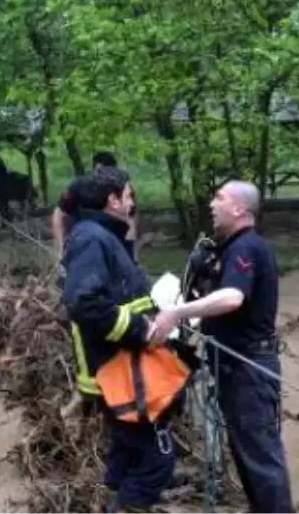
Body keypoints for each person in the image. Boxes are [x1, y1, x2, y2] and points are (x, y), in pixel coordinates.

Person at [147, 180, 294, 514]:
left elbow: (232, 298)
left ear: (240, 208)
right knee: (245, 451)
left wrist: (177, 313)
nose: (212, 204)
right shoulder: (229, 249)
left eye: (219, 198)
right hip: (234, 366)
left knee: (260, 455)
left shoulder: (247, 248)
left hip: (250, 367)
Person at [61, 167, 188, 514]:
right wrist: (141, 330)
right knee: (155, 463)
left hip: (121, 368)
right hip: (119, 369)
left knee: (128, 450)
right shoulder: (92, 238)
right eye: (129, 195)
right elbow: (83, 302)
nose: (132, 203)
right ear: (112, 200)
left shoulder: (98, 235)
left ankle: (110, 500)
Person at [51, 151, 140, 260]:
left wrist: (132, 254)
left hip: (116, 242)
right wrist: (61, 249)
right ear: (95, 169)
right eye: (101, 172)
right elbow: (58, 215)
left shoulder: (122, 187)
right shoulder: (78, 186)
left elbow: (132, 219)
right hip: (83, 243)